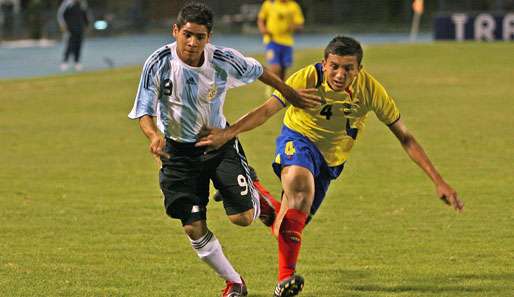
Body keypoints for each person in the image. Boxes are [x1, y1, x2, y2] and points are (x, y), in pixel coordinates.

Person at [196, 35, 464, 297]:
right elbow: (268, 109)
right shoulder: (308, 78)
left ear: (359, 69)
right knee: (300, 191)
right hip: (298, 139)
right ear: (324, 63)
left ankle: (256, 196)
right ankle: (284, 281)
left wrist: (438, 181)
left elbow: (405, 137)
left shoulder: (371, 91)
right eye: (334, 66)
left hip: (331, 160)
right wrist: (228, 134)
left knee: (288, 228)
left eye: (348, 68)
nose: (339, 74)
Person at [127, 3, 321, 297]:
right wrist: (153, 135)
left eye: (200, 37)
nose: (193, 43)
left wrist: (291, 95)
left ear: (209, 37)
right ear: (175, 31)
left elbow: (260, 71)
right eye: (188, 35)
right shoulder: (157, 63)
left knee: (242, 218)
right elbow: (143, 110)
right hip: (176, 153)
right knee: (192, 227)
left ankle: (257, 196)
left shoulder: (222, 59)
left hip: (218, 145)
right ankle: (235, 283)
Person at [257, 0, 304, 92]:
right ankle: (270, 87)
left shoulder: (293, 6)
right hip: (272, 40)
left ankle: (280, 92)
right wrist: (263, 29)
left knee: (283, 70)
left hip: (287, 42)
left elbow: (300, 24)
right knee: (275, 67)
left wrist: (293, 27)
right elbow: (260, 19)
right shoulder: (270, 3)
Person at [57, 0, 89, 71]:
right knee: (70, 45)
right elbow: (60, 15)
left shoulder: (82, 3)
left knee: (79, 45)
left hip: (80, 28)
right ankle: (65, 62)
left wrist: (86, 25)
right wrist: (63, 26)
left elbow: (85, 15)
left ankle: (77, 62)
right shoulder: (67, 3)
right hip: (70, 29)